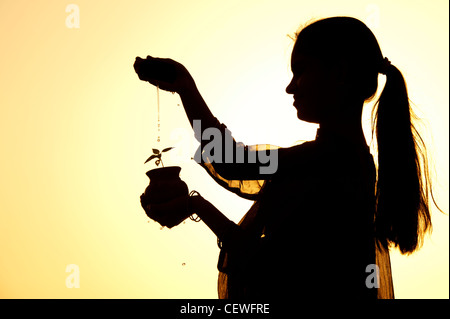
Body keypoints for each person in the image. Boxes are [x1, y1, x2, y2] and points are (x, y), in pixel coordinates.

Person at [134, 17, 438, 299]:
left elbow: (230, 166)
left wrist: (186, 87)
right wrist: (193, 204)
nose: (290, 87)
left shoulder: (328, 160)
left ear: (340, 73)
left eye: (301, 71)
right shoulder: (337, 160)